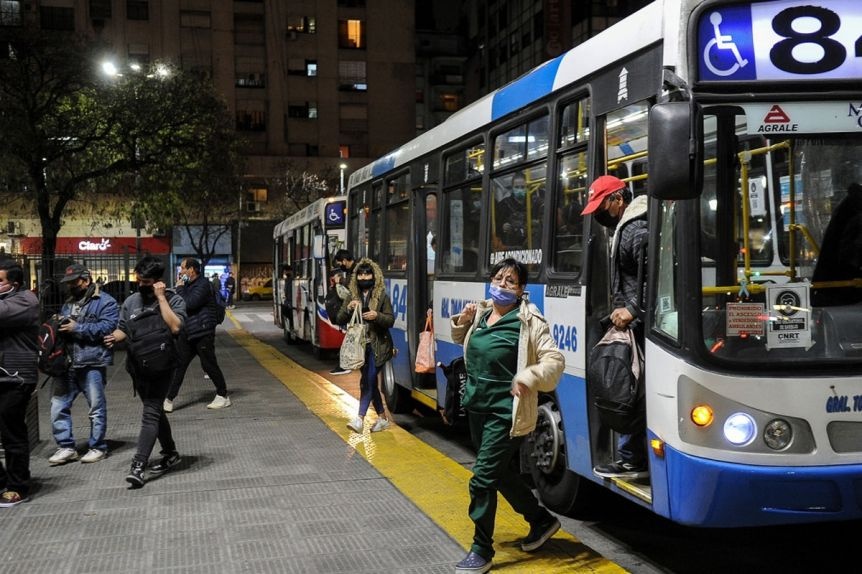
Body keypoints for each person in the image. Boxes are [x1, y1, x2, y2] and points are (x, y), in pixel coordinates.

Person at [450, 258, 564, 573]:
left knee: (482, 479)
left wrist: (529, 376)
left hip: (506, 413)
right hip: (477, 407)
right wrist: (463, 322)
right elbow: (465, 343)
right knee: (498, 474)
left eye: (510, 282)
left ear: (521, 289)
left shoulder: (528, 320)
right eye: (498, 279)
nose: (502, 285)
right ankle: (541, 522)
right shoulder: (483, 312)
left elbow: (554, 361)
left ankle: (481, 550)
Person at [581, 174, 649, 480]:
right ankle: (630, 456)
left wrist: (632, 309)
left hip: (641, 324)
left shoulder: (636, 229)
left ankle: (630, 459)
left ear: (617, 200)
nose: (598, 216)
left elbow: (655, 279)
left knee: (628, 390)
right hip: (634, 323)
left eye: (600, 207)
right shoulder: (626, 227)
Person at [104, 256, 186, 488]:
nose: (141, 284)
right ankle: (170, 452)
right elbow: (124, 329)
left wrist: (161, 298)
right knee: (155, 411)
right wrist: (113, 338)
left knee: (150, 411)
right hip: (138, 368)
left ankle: (138, 465)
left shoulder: (172, 299)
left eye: (146, 281)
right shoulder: (131, 302)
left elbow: (176, 326)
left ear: (158, 281)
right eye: (138, 280)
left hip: (163, 365)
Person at [47, 264, 119, 466]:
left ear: (86, 281)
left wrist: (77, 327)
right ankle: (66, 447)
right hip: (67, 363)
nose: (70, 286)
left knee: (96, 407)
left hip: (91, 362)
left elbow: (107, 327)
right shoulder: (69, 302)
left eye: (73, 282)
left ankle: (98, 447)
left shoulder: (105, 302)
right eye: (68, 283)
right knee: (58, 406)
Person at [335, 258, 394, 433]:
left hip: (379, 346)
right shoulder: (351, 296)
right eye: (360, 274)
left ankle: (359, 419)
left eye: (367, 273)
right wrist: (348, 309)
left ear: (374, 275)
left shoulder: (382, 296)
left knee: (367, 380)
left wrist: (377, 315)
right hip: (360, 348)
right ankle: (383, 418)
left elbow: (390, 320)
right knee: (369, 383)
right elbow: (339, 319)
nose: (363, 277)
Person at [164, 258, 231, 412]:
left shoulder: (203, 284)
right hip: (188, 332)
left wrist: (180, 289)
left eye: (182, 268)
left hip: (202, 332)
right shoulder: (190, 284)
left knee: (208, 364)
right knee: (179, 365)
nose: (180, 271)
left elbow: (190, 303)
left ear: (191, 270)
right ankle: (169, 399)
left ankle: (223, 395)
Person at [0, 260, 40, 507]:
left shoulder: (25, 301)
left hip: (16, 377)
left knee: (11, 432)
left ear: (14, 283)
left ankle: (18, 486)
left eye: (0, 280)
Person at [812, 182, 862, 306]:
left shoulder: (851, 205)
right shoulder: (856, 211)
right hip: (843, 287)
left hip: (831, 283)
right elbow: (851, 253)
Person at [326, 250, 356, 376]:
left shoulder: (356, 270)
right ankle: (344, 364)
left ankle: (345, 365)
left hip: (355, 310)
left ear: (344, 260)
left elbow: (349, 291)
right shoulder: (351, 271)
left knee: (351, 339)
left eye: (340, 263)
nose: (340, 266)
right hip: (352, 310)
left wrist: (339, 283)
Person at [495, 173, 528, 248]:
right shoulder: (503, 205)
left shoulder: (532, 203)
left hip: (528, 245)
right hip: (509, 246)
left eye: (522, 187)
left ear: (527, 188)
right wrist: (502, 227)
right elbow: (495, 227)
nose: (520, 190)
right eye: (517, 187)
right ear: (512, 188)